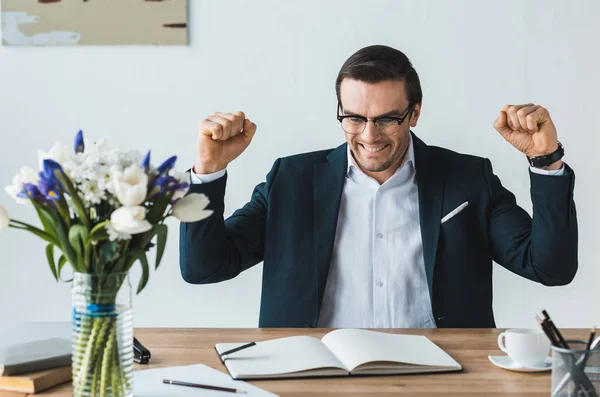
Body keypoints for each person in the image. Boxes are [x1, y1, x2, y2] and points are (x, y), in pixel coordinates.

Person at [179, 45, 577, 328]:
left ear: (414, 114)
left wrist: (546, 162)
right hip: (313, 376)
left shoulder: (468, 179)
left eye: (387, 118)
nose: (369, 135)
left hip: (444, 376)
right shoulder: (292, 180)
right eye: (353, 118)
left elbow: (550, 267)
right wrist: (208, 172)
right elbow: (203, 268)